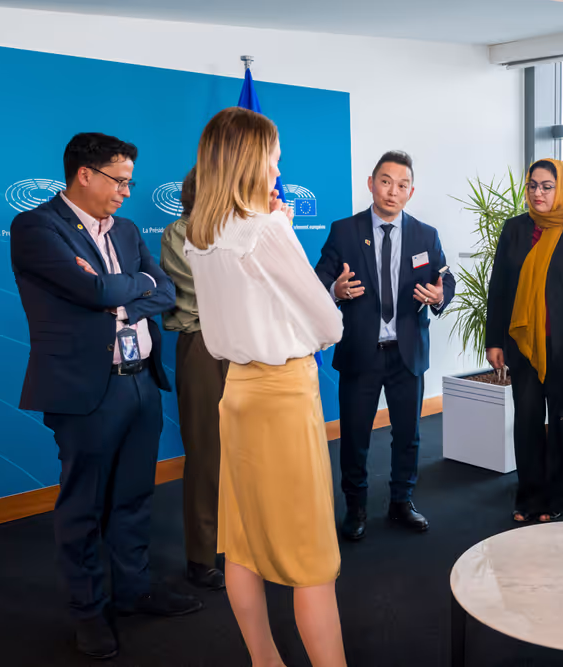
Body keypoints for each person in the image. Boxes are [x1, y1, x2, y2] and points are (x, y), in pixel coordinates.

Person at [9, 133, 202, 659]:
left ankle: (135, 591)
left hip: (140, 381)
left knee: (134, 497)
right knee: (84, 507)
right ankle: (89, 611)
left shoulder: (129, 230)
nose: (125, 191)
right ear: (85, 175)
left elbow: (164, 292)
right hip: (85, 391)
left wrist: (123, 291)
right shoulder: (36, 227)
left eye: (130, 182)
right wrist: (126, 288)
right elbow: (93, 292)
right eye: (119, 180)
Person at [185, 107, 346, 667]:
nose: (279, 164)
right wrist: (283, 231)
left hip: (239, 395)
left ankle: (264, 661)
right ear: (253, 159)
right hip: (283, 395)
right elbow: (330, 323)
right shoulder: (268, 229)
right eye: (274, 154)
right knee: (312, 561)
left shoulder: (198, 237)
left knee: (244, 545)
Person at [315, 150, 455, 541]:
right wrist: (335, 289)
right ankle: (355, 507)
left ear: (412, 191)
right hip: (361, 352)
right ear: (371, 184)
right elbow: (319, 279)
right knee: (356, 435)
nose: (393, 191)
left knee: (408, 434)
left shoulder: (426, 235)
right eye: (386, 181)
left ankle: (402, 502)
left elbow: (447, 279)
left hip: (407, 352)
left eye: (402, 185)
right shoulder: (344, 231)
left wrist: (438, 296)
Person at [485, 158, 563, 523]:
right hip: (523, 347)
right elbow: (500, 289)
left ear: (562, 187)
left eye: (546, 186)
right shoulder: (515, 229)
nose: (538, 192)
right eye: (533, 185)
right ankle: (529, 496)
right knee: (528, 422)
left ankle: (559, 496)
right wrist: (495, 340)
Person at [160, 167, 228, 591]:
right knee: (206, 453)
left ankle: (237, 542)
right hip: (204, 345)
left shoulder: (240, 232)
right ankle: (202, 556)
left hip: (248, 347)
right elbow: (207, 291)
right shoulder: (178, 233)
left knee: (245, 454)